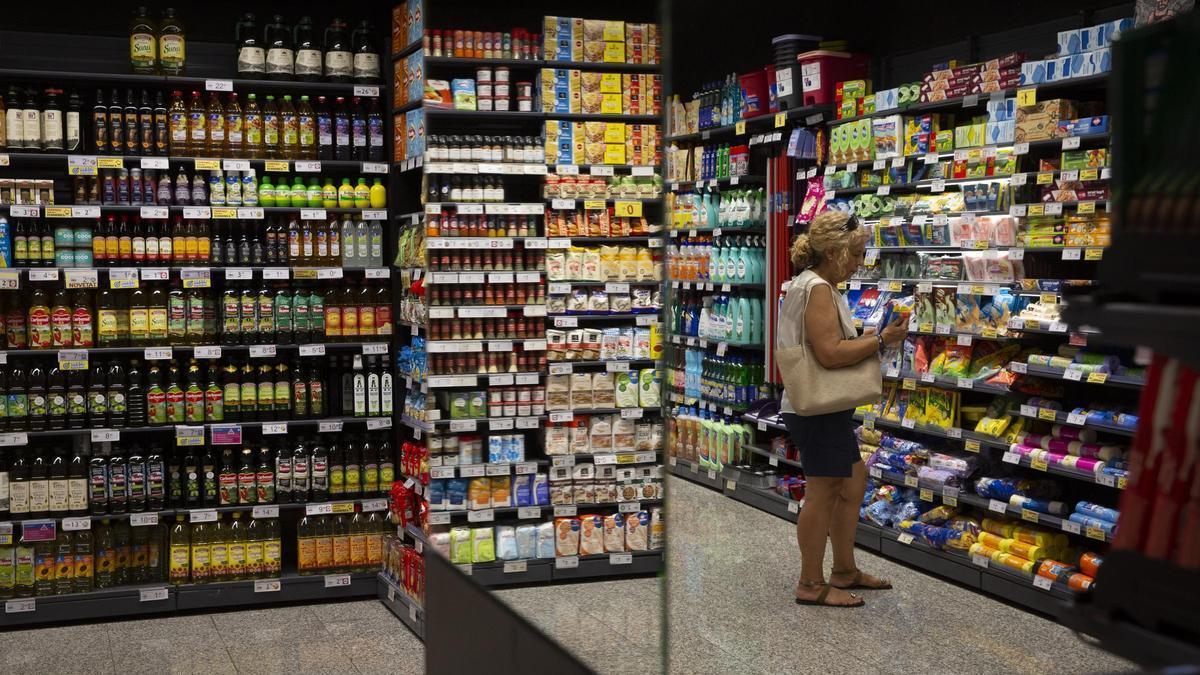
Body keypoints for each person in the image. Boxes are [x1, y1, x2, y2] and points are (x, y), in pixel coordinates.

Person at [777, 210, 907, 607]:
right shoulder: (817, 288)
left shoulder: (815, 285)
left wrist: (868, 337)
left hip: (820, 408)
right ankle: (811, 584)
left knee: (852, 481)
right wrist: (881, 340)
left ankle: (845, 569)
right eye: (855, 253)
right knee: (823, 491)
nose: (859, 262)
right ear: (834, 252)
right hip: (814, 409)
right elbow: (831, 354)